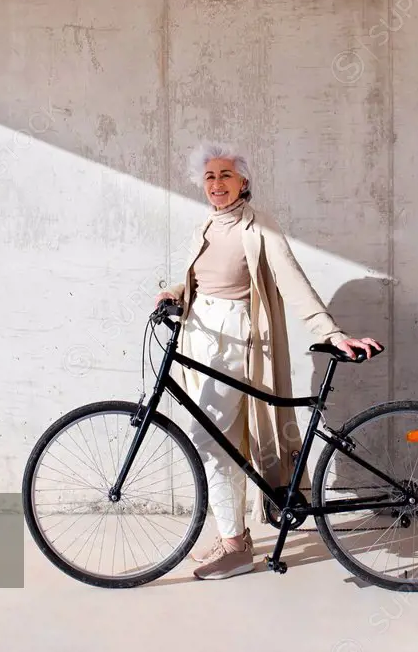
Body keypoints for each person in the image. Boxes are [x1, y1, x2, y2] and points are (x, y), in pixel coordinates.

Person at [154, 140, 382, 581]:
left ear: (244, 181)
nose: (217, 184)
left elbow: (292, 281)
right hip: (199, 337)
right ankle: (231, 536)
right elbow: (198, 280)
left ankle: (237, 549)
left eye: (225, 175)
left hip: (236, 340)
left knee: (210, 440)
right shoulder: (208, 224)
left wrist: (331, 333)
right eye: (209, 177)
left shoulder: (260, 227)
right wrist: (175, 293)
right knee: (222, 441)